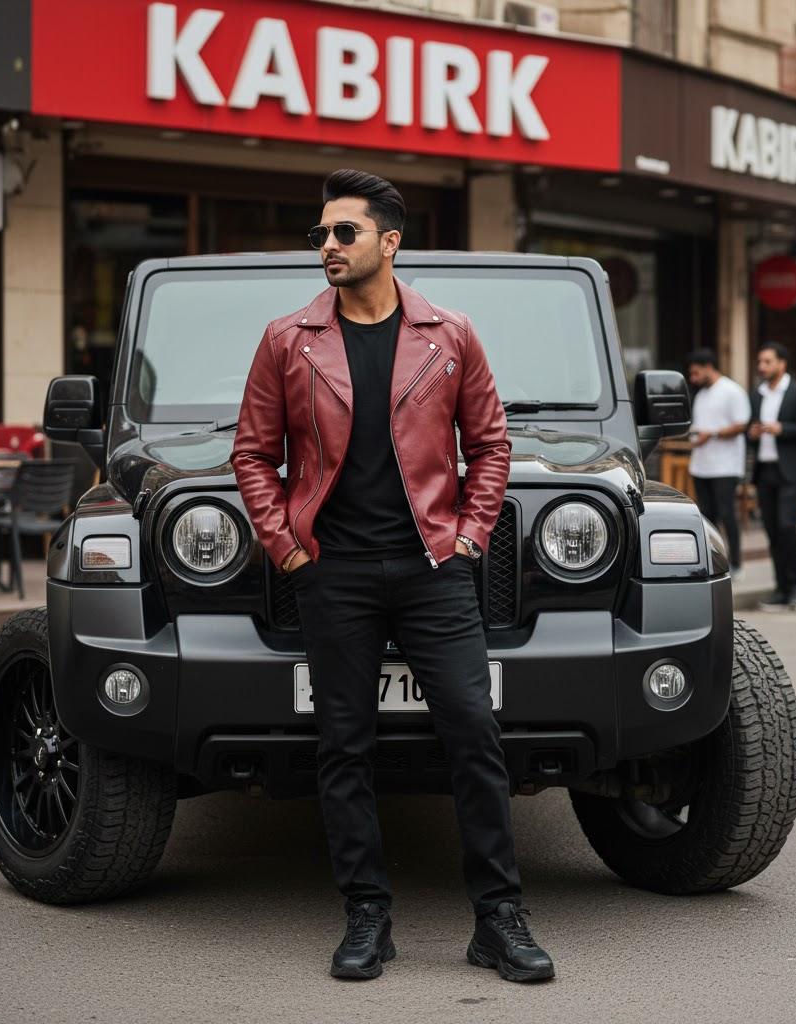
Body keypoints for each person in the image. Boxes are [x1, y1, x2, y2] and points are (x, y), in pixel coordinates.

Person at [230, 169, 553, 984]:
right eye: (321, 235)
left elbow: (491, 445)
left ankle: (498, 918)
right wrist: (289, 549)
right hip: (331, 572)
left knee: (474, 735)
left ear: (389, 242)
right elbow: (251, 454)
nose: (328, 248)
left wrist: (471, 539)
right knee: (344, 746)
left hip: (433, 570)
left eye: (344, 233)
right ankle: (367, 916)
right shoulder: (287, 339)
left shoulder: (450, 333)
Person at [747, 342, 796, 612]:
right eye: (760, 362)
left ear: (782, 363)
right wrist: (752, 434)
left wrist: (783, 429)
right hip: (765, 470)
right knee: (772, 531)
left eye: (767, 362)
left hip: (792, 471)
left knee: (787, 526)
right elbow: (750, 429)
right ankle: (780, 588)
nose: (762, 367)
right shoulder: (757, 395)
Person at [686, 349, 750, 580]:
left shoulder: (732, 391)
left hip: (726, 465)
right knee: (706, 516)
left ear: (708, 367)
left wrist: (710, 434)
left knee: (726, 513)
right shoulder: (701, 394)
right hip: (701, 464)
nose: (692, 379)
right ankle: (712, 563)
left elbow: (742, 424)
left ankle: (736, 563)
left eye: (695, 373)